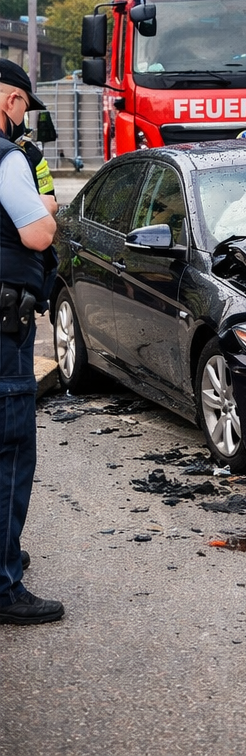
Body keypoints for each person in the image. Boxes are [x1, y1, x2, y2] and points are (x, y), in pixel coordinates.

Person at [0, 59, 62, 626]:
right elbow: (38, 233)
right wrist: (47, 212)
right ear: (11, 101)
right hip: (3, 329)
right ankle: (3, 585)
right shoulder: (9, 157)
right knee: (11, 452)